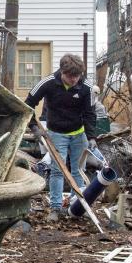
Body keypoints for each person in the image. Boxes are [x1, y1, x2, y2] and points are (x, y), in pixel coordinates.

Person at [25, 54, 97, 221]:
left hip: (79, 134)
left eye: (77, 76)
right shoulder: (48, 82)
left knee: (78, 171)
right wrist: (34, 126)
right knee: (58, 171)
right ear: (62, 72)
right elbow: (28, 103)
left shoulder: (86, 87)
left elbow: (90, 113)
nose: (74, 80)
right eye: (71, 76)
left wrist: (92, 136)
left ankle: (76, 207)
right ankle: (55, 208)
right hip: (56, 134)